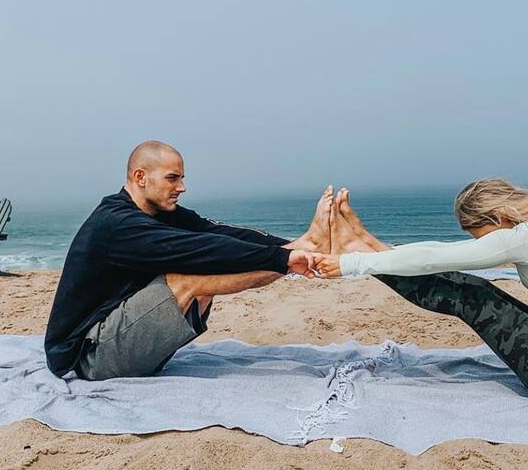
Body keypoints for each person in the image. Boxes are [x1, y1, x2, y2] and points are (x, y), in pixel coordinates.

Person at [313, 180, 528, 405]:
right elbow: (435, 257)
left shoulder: (524, 237)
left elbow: (435, 256)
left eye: (478, 236)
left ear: (495, 218)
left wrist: (351, 264)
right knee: (481, 291)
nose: (481, 244)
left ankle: (364, 248)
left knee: (472, 296)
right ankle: (369, 245)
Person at [45, 141, 327, 381]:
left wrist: (289, 246)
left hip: (120, 336)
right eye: (173, 178)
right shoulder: (119, 224)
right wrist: (284, 257)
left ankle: (299, 253)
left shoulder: (160, 212)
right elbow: (203, 249)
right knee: (190, 276)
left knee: (209, 262)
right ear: (141, 177)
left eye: (181, 178)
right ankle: (294, 260)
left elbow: (216, 231)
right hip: (86, 357)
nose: (182, 187)